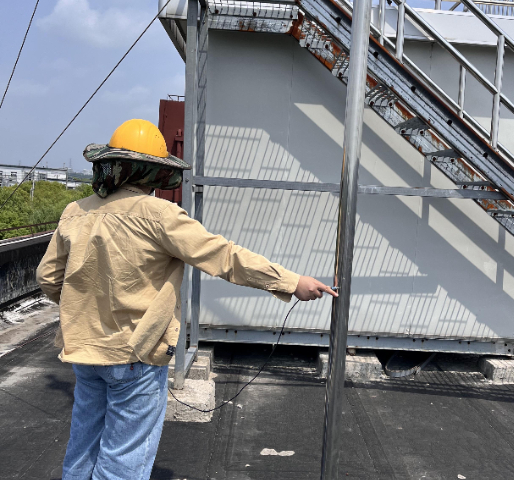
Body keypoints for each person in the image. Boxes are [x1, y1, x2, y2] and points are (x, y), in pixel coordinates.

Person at [36, 119, 337, 480]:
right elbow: (224, 257)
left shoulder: (76, 211)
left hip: (84, 352)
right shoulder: (160, 216)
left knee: (83, 448)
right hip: (136, 355)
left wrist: (83, 307)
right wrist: (290, 281)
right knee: (123, 460)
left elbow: (48, 278)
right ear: (153, 172)